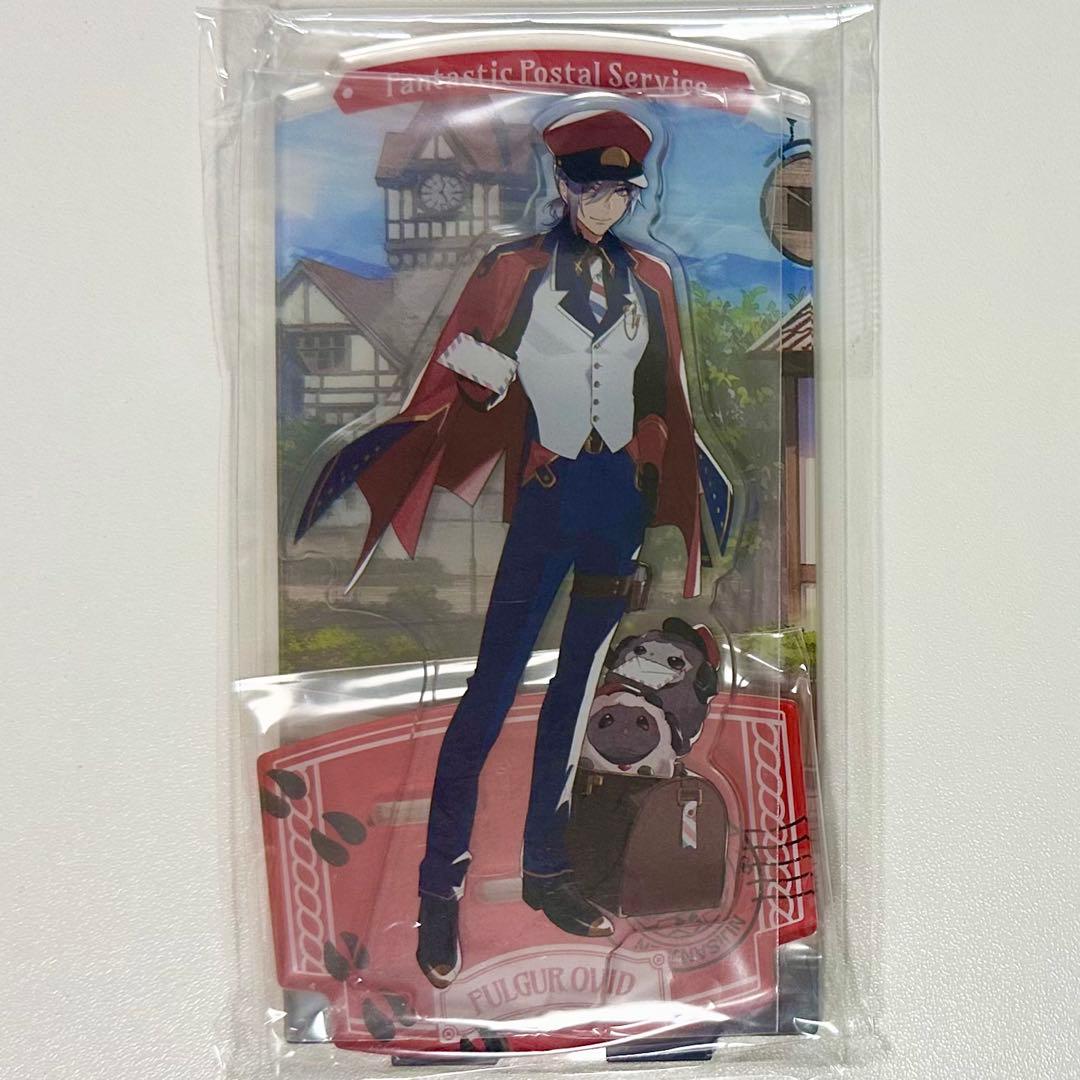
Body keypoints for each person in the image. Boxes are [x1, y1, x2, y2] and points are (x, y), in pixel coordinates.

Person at [294, 106, 732, 988]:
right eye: (593, 189)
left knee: (577, 697)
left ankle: (547, 869)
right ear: (562, 186)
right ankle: (439, 893)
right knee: (488, 699)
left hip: (615, 506)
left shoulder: (649, 278)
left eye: (621, 192)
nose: (607, 204)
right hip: (546, 498)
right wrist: (484, 384)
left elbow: (666, 394)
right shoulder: (515, 269)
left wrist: (663, 473)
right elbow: (458, 370)